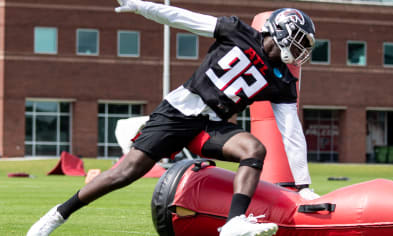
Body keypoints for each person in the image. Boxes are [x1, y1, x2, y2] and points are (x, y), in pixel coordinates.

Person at [27, 1, 317, 235]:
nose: (302, 49)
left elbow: (291, 131)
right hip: (178, 112)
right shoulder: (236, 30)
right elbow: (183, 18)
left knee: (254, 150)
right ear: (280, 30)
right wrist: (142, 7)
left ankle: (234, 223)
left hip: (211, 125)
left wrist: (303, 185)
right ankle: (56, 215)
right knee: (124, 173)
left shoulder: (282, 81)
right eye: (300, 40)